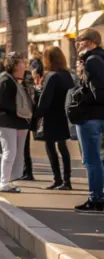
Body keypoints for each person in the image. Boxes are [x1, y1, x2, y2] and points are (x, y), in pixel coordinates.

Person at [0, 51, 34, 194]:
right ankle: (4, 183)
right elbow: (0, 103)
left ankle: (9, 180)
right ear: (14, 65)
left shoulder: (15, 80)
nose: (24, 66)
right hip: (8, 122)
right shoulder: (5, 81)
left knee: (17, 154)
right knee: (10, 152)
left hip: (19, 123)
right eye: (22, 63)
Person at [34, 46, 74, 191]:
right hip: (64, 115)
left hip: (51, 116)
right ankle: (67, 181)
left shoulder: (52, 76)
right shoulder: (67, 75)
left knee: (50, 147)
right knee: (63, 148)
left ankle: (57, 179)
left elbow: (45, 100)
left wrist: (36, 115)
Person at [73, 29, 104, 212]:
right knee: (97, 160)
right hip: (99, 116)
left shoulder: (92, 61)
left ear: (91, 42)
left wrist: (80, 94)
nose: (78, 45)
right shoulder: (99, 58)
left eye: (81, 41)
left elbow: (96, 91)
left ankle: (96, 198)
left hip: (91, 116)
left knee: (91, 160)